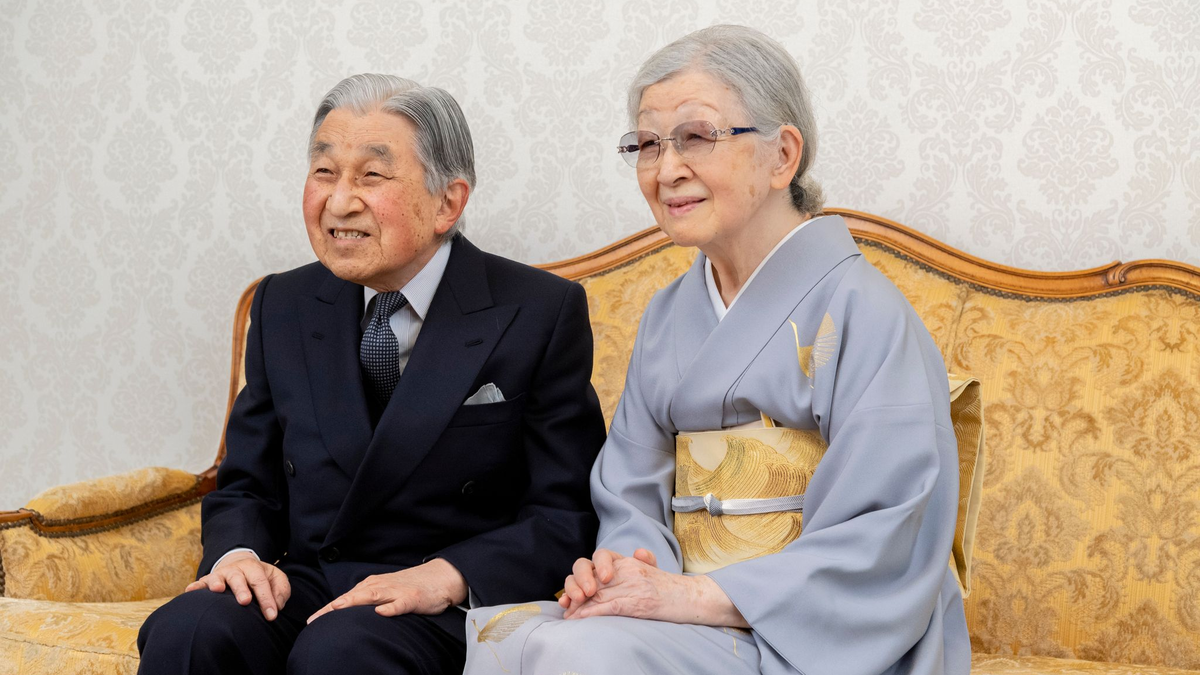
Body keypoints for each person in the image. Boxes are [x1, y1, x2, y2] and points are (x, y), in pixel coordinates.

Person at [462, 25, 971, 675]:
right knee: (513, 638)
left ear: (782, 155)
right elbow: (628, 494)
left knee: (573, 652)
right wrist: (631, 572)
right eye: (647, 143)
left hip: (817, 632)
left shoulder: (865, 311)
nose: (667, 167)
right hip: (691, 617)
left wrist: (693, 596)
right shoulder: (668, 315)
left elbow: (885, 531)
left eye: (696, 136)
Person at [137, 73, 607, 675]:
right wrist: (238, 553)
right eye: (325, 172)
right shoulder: (283, 303)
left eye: (372, 176)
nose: (338, 201)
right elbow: (246, 483)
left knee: (343, 652)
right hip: (308, 581)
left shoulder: (538, 311)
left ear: (448, 202)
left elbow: (564, 514)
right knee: (191, 628)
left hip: (440, 598)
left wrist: (450, 576)